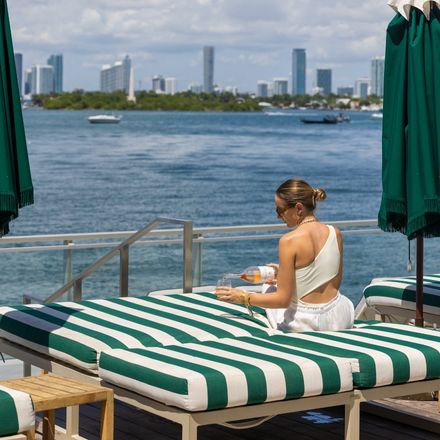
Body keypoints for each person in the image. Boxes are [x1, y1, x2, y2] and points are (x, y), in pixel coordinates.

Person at [215, 178, 354, 332]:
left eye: (280, 210)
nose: (278, 216)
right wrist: (286, 272)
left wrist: (242, 297)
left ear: (299, 208)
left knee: (268, 287)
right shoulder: (335, 233)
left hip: (307, 323)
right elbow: (333, 282)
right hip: (340, 316)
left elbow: (282, 300)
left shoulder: (289, 241)